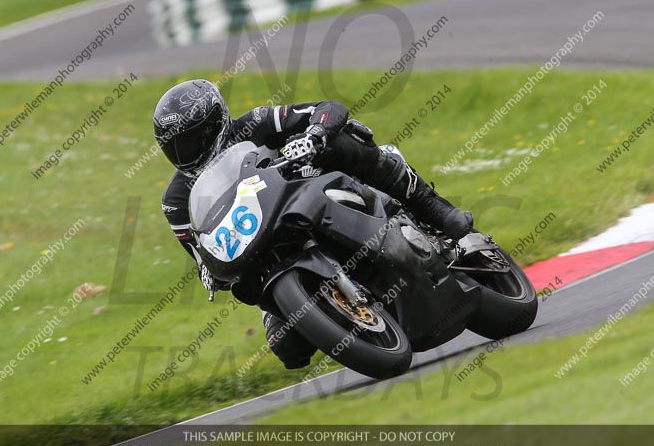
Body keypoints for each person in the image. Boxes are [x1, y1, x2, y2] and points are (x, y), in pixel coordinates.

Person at [153, 79, 473, 369]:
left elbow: (327, 109)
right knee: (287, 347)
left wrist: (314, 135)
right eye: (174, 146)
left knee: (348, 140)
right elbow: (200, 253)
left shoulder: (255, 123)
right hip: (264, 253)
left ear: (215, 124)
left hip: (306, 194)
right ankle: (346, 315)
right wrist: (209, 272)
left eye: (194, 140)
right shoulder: (176, 200)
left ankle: (432, 208)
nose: (184, 153)